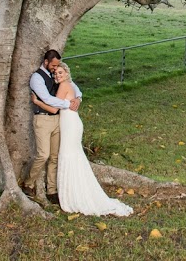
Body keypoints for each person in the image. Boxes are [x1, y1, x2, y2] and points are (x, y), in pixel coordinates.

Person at [32, 64, 133, 216]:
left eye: (60, 72)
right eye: (55, 74)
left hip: (70, 125)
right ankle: (76, 192)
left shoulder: (64, 86)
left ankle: (74, 196)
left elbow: (54, 109)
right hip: (70, 124)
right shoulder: (70, 85)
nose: (57, 76)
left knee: (68, 156)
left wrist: (37, 101)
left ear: (67, 73)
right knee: (73, 157)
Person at [25, 50, 81, 204]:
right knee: (43, 154)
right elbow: (47, 98)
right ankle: (29, 183)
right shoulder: (37, 78)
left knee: (54, 156)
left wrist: (78, 98)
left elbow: (73, 86)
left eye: (57, 66)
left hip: (58, 120)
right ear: (46, 62)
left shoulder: (56, 74)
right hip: (43, 119)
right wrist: (68, 104)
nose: (55, 69)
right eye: (53, 65)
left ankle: (52, 190)